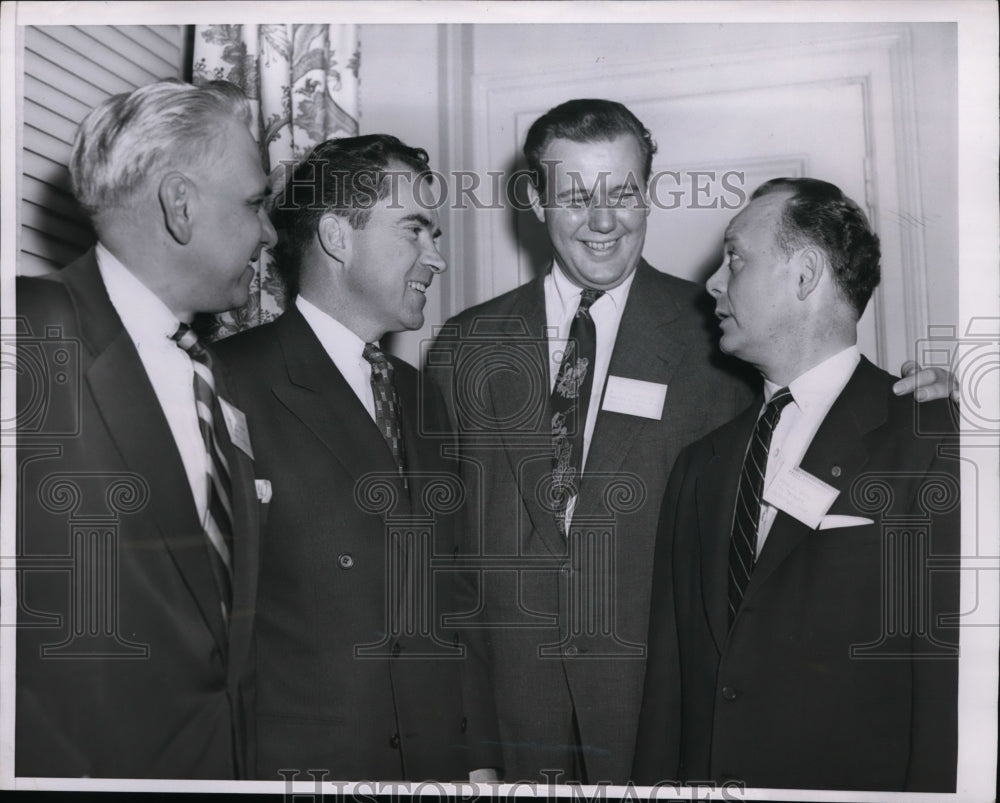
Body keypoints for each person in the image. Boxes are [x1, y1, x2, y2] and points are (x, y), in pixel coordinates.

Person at [425, 99, 953, 784]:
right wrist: (469, 746)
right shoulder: (464, 347)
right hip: (510, 727)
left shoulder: (723, 333)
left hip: (662, 728)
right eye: (577, 197)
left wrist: (933, 398)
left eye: (624, 193)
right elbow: (443, 564)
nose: (604, 221)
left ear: (649, 192)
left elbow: (822, 398)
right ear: (534, 198)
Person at [634, 178, 959, 792]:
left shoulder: (931, 437)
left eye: (735, 259)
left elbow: (950, 690)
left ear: (806, 274)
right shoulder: (699, 465)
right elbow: (668, 692)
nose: (713, 283)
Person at [215, 135, 499, 781]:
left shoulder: (421, 396)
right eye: (415, 230)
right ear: (338, 236)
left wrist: (479, 757)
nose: (437, 257)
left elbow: (455, 592)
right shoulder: (227, 380)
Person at [15, 79, 275, 778]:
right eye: (254, 204)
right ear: (180, 205)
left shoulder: (214, 373)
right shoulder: (29, 332)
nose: (268, 234)